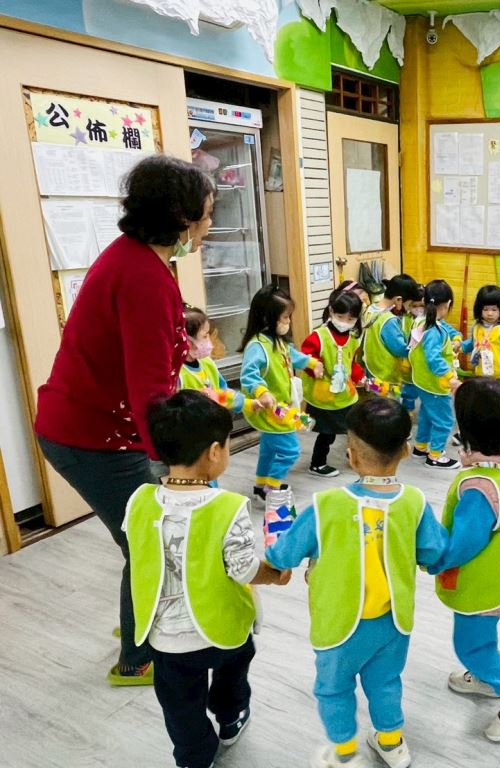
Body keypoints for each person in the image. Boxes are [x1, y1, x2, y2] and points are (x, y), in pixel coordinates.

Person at [35, 154, 214, 685]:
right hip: (90, 437)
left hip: (94, 426)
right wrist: (179, 466)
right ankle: (136, 658)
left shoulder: (138, 259)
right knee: (148, 541)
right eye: (206, 213)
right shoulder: (142, 277)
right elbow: (150, 391)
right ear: (181, 218)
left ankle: (139, 618)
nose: (209, 224)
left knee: (143, 535)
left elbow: (153, 360)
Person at [265, 397, 448, 768]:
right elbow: (433, 552)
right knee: (386, 683)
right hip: (392, 622)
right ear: (407, 450)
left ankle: (345, 753)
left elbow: (282, 556)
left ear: (351, 456)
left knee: (333, 689)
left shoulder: (325, 505)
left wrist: (275, 537)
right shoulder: (414, 502)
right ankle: (392, 744)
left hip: (339, 625)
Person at [124, 391, 290, 768]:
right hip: (224, 629)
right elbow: (244, 569)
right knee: (233, 675)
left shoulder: (139, 500)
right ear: (215, 451)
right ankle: (230, 718)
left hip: (166, 636)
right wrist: (275, 575)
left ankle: (194, 757)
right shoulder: (227, 506)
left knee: (179, 705)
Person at [428, 377, 500, 742]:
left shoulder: (480, 488)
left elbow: (463, 544)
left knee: (470, 646)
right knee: (483, 634)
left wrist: (433, 560)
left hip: (483, 582)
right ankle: (484, 676)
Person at [239, 285, 323, 498]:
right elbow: (248, 375)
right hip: (271, 409)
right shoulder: (257, 346)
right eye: (285, 317)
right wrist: (261, 392)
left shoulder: (277, 341)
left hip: (281, 406)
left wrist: (311, 363)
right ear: (267, 318)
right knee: (290, 451)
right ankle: (272, 487)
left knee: (268, 449)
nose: (288, 322)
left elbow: (292, 355)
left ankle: (261, 485)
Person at [301, 287, 364, 478]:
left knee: (353, 427)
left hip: (345, 394)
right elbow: (304, 358)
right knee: (327, 433)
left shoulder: (353, 338)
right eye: (340, 317)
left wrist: (359, 377)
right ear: (331, 311)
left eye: (351, 319)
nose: (345, 323)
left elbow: (351, 362)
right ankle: (317, 463)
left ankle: (355, 456)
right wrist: (314, 366)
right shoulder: (318, 337)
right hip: (325, 396)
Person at [408, 279, 461, 469]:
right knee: (444, 420)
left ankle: (421, 447)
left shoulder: (421, 321)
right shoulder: (434, 330)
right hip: (435, 383)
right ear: (447, 304)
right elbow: (433, 358)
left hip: (422, 381)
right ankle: (435, 456)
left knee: (427, 414)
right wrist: (450, 377)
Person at [179, 304, 246, 413]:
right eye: (205, 336)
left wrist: (244, 403)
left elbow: (223, 392)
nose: (209, 341)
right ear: (187, 341)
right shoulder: (178, 374)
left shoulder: (207, 363)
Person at [361, 274, 420, 395]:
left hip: (371, 369)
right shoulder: (389, 321)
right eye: (409, 305)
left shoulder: (371, 309)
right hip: (385, 376)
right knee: (387, 403)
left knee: (373, 401)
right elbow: (400, 349)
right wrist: (418, 347)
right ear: (398, 300)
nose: (408, 309)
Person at [461, 285, 500, 385]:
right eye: (485, 309)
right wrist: (460, 346)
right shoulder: (477, 327)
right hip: (482, 378)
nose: (489, 313)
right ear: (479, 309)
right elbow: (472, 343)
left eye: (494, 310)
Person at [399, 283, 425, 413]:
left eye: (422, 305)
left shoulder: (428, 319)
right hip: (407, 359)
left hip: (422, 359)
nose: (419, 309)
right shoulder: (404, 319)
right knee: (408, 388)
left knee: (424, 388)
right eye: (415, 306)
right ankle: (407, 410)